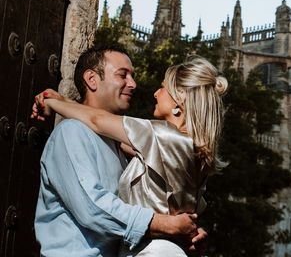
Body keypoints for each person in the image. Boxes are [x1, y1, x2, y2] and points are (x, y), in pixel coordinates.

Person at [34, 51, 226, 257]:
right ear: (91, 79)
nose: (134, 84)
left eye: (162, 87)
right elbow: (93, 208)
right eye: (122, 75)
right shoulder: (72, 132)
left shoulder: (159, 136)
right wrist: (171, 226)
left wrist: (51, 102)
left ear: (179, 102)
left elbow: (97, 120)